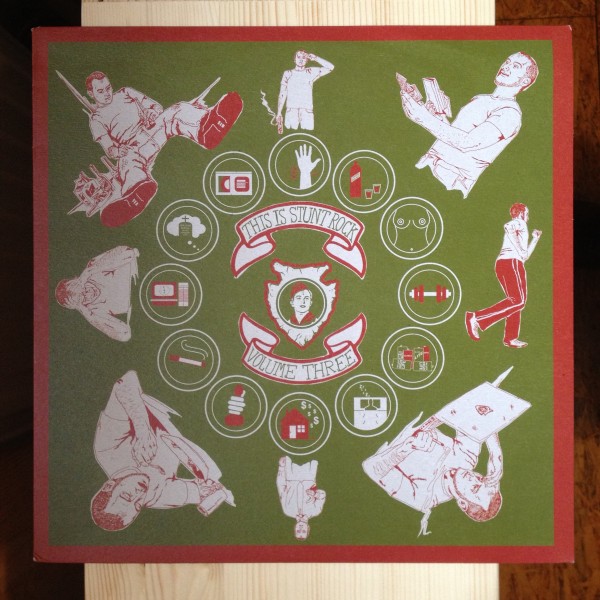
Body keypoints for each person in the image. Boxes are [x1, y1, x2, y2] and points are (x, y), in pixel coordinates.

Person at [82, 71, 243, 227]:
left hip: (153, 128)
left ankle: (206, 130)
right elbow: (109, 148)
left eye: (108, 88)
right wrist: (117, 151)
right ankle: (135, 195)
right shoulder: (97, 119)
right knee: (128, 164)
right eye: (100, 91)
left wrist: (152, 112)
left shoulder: (126, 92)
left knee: (177, 110)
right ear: (91, 94)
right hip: (132, 148)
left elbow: (155, 106)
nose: (107, 93)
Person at [91, 371, 234, 531]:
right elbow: (201, 490)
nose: (140, 494)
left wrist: (142, 430)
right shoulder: (156, 497)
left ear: (109, 486)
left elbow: (125, 382)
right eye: (137, 505)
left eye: (127, 496)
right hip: (198, 418)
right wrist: (209, 492)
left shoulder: (107, 450)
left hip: (163, 388)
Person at [399, 52, 538, 197]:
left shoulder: (510, 113)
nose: (506, 67)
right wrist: (436, 114)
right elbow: (454, 134)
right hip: (429, 163)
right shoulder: (480, 99)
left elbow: (468, 143)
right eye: (507, 62)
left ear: (525, 81)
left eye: (516, 66)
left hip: (451, 180)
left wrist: (424, 118)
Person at [363, 412, 503, 536]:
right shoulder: (467, 459)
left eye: (474, 488)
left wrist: (407, 448)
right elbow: (475, 413)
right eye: (481, 479)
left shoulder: (423, 497)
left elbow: (371, 468)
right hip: (409, 408)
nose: (474, 478)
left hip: (374, 432)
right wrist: (495, 452)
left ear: (462, 503)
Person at [465, 202, 542, 348]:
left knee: (514, 301)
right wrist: (520, 250)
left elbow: (525, 256)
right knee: (519, 301)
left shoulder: (521, 229)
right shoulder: (519, 223)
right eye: (527, 213)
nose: (528, 217)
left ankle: (510, 338)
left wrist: (535, 239)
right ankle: (476, 318)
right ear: (521, 213)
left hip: (505, 263)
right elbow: (508, 226)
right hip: (512, 263)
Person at [55, 245, 139, 342]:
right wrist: (90, 316)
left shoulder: (93, 267)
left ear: (78, 280)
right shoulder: (93, 313)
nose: (87, 294)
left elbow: (128, 252)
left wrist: (92, 270)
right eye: (81, 299)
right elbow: (125, 335)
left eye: (82, 289)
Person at [276, 50, 334, 132]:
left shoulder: (310, 71)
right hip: (291, 110)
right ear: (294, 59)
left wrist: (316, 58)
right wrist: (279, 112)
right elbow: (282, 93)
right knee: (290, 134)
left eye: (303, 57)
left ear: (307, 60)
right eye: (298, 57)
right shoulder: (288, 73)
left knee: (308, 134)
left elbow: (330, 67)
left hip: (307, 111)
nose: (301, 59)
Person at [276, 456, 326, 540]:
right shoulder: (315, 511)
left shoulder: (287, 511)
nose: (301, 529)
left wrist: (281, 468)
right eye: (304, 531)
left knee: (291, 452)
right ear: (308, 528)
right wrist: (315, 494)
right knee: (312, 453)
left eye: (298, 531)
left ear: (295, 528)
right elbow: (322, 495)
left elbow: (281, 488)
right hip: (308, 475)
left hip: (291, 475)